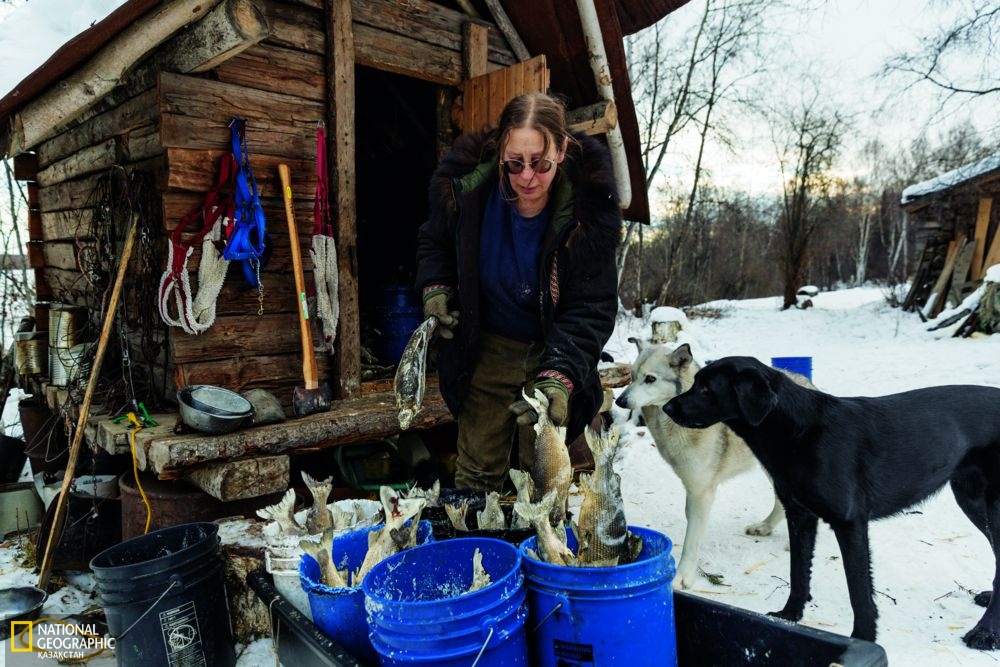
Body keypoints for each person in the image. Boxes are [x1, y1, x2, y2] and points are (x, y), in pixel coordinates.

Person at [415, 92, 622, 492]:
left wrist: (560, 376)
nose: (527, 177)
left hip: (553, 346)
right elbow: (434, 241)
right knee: (477, 473)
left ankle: (539, 549)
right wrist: (435, 290)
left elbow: (592, 309)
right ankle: (483, 549)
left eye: (541, 164)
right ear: (500, 151)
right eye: (515, 163)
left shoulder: (588, 213)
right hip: (486, 347)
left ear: (561, 151)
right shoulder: (467, 193)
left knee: (542, 475)